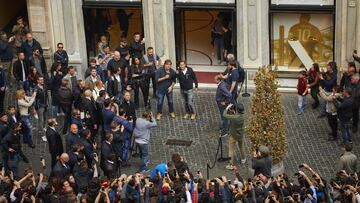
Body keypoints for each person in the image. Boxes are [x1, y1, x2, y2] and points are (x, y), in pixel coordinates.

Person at [223, 104, 245, 170]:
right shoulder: (242, 116)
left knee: (231, 150)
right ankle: (243, 158)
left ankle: (231, 164)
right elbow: (235, 115)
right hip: (240, 134)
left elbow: (224, 115)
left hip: (234, 135)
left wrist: (227, 108)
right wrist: (233, 112)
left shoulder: (234, 117)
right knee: (241, 147)